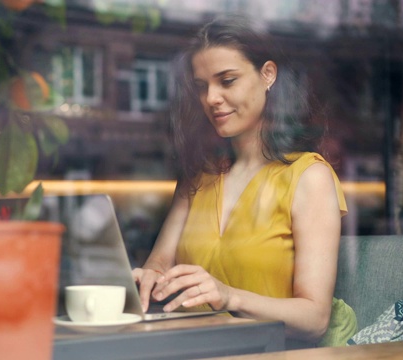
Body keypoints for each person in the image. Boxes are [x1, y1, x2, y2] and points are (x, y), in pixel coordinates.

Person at [132, 14, 356, 347]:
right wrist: (150, 277)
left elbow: (314, 318)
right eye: (202, 86)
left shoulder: (309, 177)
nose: (211, 98)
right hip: (196, 350)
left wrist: (229, 297)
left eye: (227, 80)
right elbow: (160, 262)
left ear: (267, 75)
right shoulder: (200, 176)